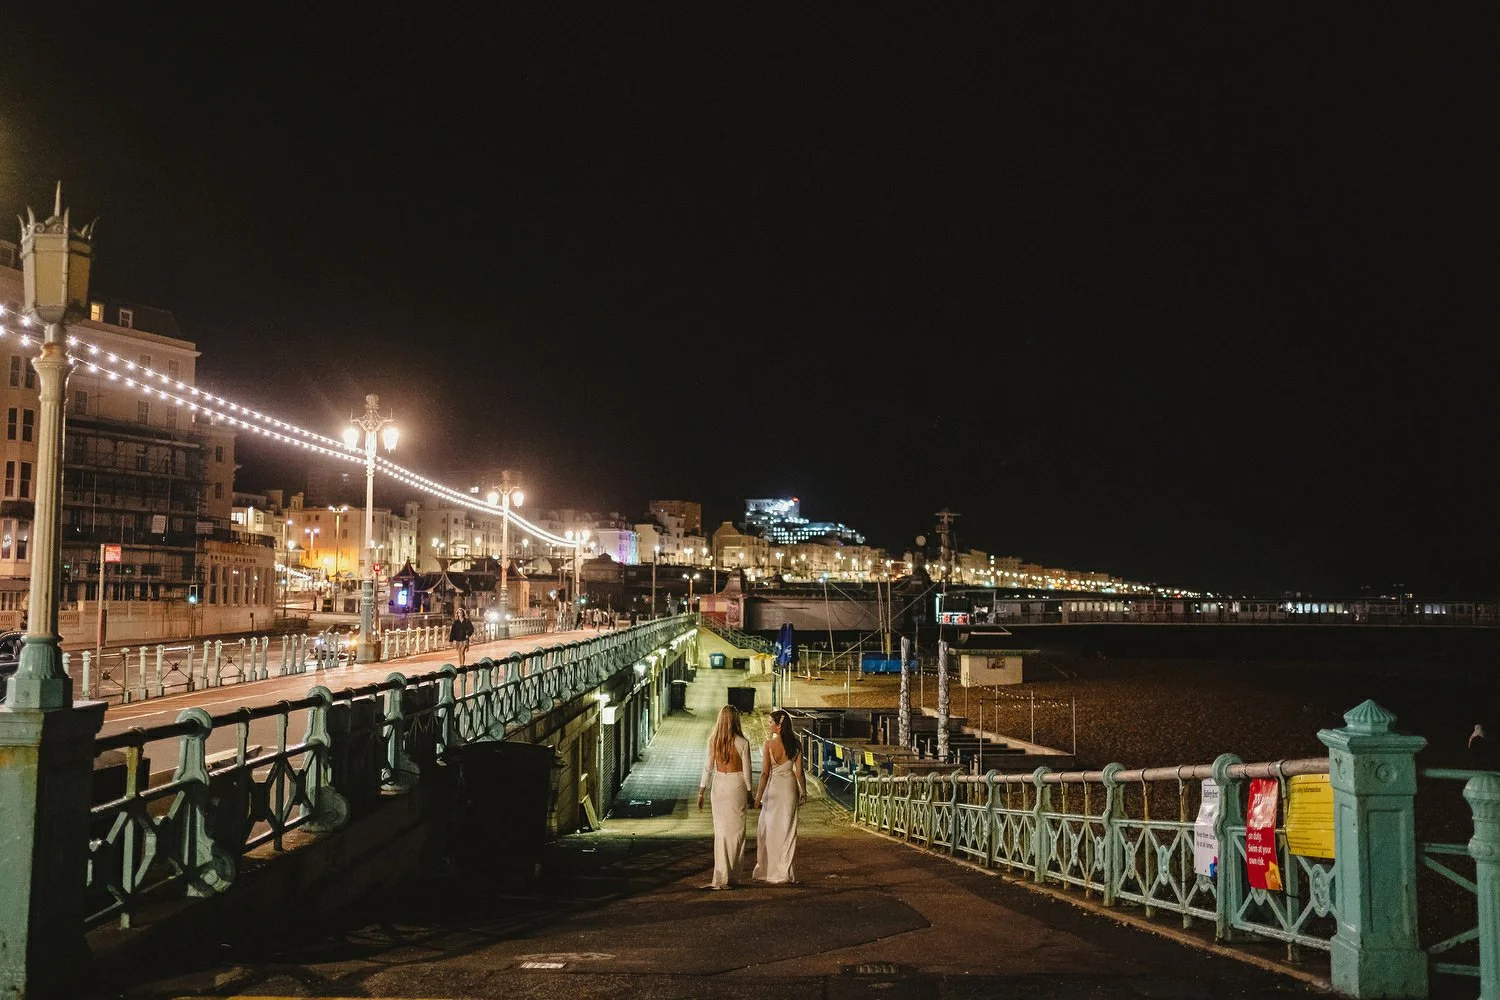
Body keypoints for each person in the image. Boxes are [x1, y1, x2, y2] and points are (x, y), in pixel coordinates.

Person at [697, 705, 753, 889]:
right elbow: (747, 772)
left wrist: (701, 790)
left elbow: (708, 767)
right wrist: (750, 792)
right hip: (736, 785)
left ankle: (720, 875)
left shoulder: (714, 741)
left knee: (720, 832)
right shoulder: (743, 743)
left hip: (719, 785)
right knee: (736, 832)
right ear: (736, 720)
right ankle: (732, 874)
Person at [753, 708, 807, 885]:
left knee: (768, 828)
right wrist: (803, 791)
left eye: (770, 723)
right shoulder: (797, 745)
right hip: (790, 789)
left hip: (774, 789)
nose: (769, 725)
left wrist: (757, 796)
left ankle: (768, 869)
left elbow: (764, 774)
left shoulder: (769, 745)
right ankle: (784, 871)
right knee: (788, 830)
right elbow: (799, 772)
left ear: (778, 726)